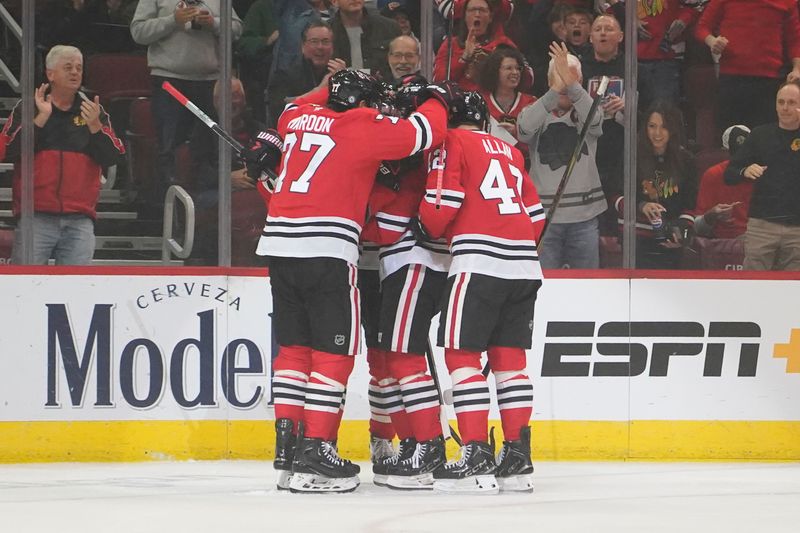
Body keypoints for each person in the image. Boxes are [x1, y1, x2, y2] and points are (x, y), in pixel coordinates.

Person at [257, 70, 451, 493]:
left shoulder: (297, 116)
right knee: (333, 354)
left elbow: (294, 103)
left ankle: (288, 451)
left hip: (277, 243)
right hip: (326, 248)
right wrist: (437, 97)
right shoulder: (364, 126)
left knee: (293, 350)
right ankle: (317, 451)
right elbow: (424, 132)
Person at [414, 91, 544, 494]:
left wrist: (428, 227)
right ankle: (517, 457)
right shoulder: (509, 151)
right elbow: (535, 216)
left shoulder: (450, 142)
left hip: (479, 261)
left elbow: (441, 204)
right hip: (524, 263)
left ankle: (474, 454)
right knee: (510, 361)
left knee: (461, 355)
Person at [0, 45, 125, 265]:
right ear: (51, 74)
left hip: (80, 219)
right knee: (26, 288)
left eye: (79, 67)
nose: (75, 72)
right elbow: (7, 150)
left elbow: (114, 157)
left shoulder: (94, 112)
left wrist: (95, 127)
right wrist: (39, 120)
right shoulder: (29, 108)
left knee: (76, 293)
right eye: (68, 67)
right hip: (35, 217)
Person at [130, 0, 243, 210]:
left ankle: (205, 210)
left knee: (211, 148)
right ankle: (167, 211)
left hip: (209, 81)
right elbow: (138, 32)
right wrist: (173, 20)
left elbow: (236, 29)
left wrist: (214, 23)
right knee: (169, 148)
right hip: (168, 79)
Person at [517, 42, 606, 269]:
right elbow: (523, 131)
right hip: (544, 218)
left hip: (584, 218)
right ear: (549, 82)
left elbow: (595, 121)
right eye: (560, 79)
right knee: (544, 286)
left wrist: (572, 86)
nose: (567, 86)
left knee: (588, 288)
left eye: (572, 80)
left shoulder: (589, 110)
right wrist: (554, 91)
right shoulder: (535, 111)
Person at [724, 82, 800, 271]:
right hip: (762, 227)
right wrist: (745, 170)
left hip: (798, 230)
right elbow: (729, 174)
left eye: (791, 102)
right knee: (753, 287)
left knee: (793, 293)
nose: (785, 107)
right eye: (781, 102)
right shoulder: (760, 135)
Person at [695, 0, 800, 131]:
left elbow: (795, 38)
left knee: (764, 137)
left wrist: (797, 68)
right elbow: (702, 27)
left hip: (768, 82)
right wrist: (712, 42)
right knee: (731, 137)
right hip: (732, 80)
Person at [616, 101, 697, 269]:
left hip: (670, 244)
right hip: (635, 241)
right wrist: (641, 206)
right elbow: (614, 196)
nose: (657, 133)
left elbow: (690, 207)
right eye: (652, 126)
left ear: (673, 129)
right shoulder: (632, 156)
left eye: (664, 127)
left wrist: (681, 236)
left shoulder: (686, 160)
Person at [581, 13, 625, 235]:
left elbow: (653, 112)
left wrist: (627, 106)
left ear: (620, 36)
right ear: (590, 37)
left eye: (609, 28)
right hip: (587, 150)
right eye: (598, 29)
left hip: (622, 150)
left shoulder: (634, 68)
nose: (603, 33)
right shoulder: (578, 67)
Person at [432, 0, 528, 93]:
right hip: (458, 103)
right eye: (472, 10)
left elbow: (528, 79)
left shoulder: (503, 45)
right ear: (464, 16)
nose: (477, 14)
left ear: (490, 17)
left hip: (491, 103)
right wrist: (464, 58)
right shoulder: (450, 44)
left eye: (482, 10)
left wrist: (493, 64)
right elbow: (438, 80)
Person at [266, 21, 346, 126]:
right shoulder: (284, 74)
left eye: (325, 42)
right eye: (314, 41)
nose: (320, 47)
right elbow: (281, 111)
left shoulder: (339, 71)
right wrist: (321, 89)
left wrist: (345, 81)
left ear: (332, 47)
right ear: (303, 46)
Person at [635, 0, 699, 111]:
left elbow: (697, 6)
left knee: (664, 114)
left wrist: (684, 19)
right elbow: (611, 9)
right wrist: (628, 20)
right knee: (633, 115)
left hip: (666, 58)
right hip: (632, 58)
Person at [693, 125, 752, 240]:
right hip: (723, 242)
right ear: (724, 152)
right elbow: (697, 227)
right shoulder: (713, 174)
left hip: (759, 240)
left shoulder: (761, 173)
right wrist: (711, 215)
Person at [330, 0, 401, 78]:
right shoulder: (327, 33)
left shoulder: (389, 27)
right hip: (340, 87)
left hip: (383, 87)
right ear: (334, 1)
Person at [237, 0, 279, 122]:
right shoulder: (262, 7)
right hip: (267, 85)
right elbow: (243, 44)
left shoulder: (306, 9)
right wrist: (268, 40)